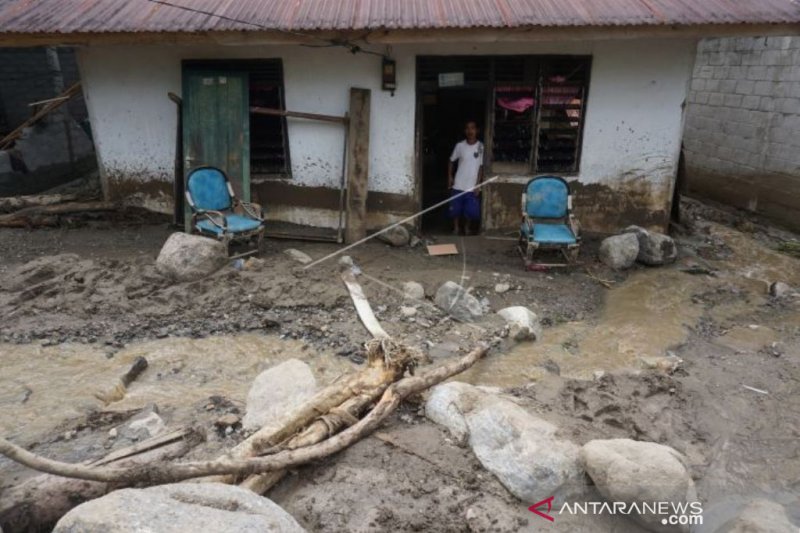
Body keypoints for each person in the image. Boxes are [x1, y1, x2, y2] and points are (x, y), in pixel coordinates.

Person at [447, 120, 484, 235]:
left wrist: (478, 184)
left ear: (477, 130)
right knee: (455, 209)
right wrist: (450, 176)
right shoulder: (460, 146)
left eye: (472, 128)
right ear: (464, 131)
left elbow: (481, 167)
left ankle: (467, 228)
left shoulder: (481, 146)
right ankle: (456, 227)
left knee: (470, 210)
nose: (470, 131)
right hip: (459, 182)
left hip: (472, 184)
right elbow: (451, 161)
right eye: (467, 128)